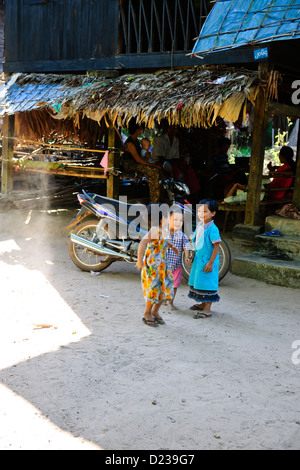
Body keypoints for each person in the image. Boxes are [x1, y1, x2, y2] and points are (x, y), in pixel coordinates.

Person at [136, 204, 179, 327]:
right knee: (154, 289)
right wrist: (139, 260)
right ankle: (147, 313)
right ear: (161, 219)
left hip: (163, 266)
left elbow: (163, 241)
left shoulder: (163, 231)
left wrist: (171, 246)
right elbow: (142, 244)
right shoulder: (154, 231)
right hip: (152, 267)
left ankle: (155, 311)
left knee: (164, 288)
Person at [188, 199, 221, 318]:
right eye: (199, 211)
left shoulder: (213, 229)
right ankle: (203, 304)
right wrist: (191, 256)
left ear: (213, 213)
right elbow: (195, 241)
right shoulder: (199, 226)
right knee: (200, 282)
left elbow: (217, 247)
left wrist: (211, 263)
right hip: (199, 260)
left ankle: (207, 309)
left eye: (205, 211)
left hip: (208, 261)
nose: (201, 214)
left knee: (208, 283)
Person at [122, 119, 162, 203]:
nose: (141, 130)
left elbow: (140, 157)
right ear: (137, 130)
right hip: (130, 165)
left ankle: (156, 196)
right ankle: (154, 199)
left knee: (156, 171)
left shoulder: (136, 140)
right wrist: (153, 165)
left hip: (136, 163)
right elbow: (138, 160)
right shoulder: (130, 143)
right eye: (140, 128)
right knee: (153, 171)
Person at [167, 209, 190, 310]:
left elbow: (186, 247)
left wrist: (187, 257)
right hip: (164, 266)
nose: (178, 223)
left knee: (175, 285)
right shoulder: (164, 233)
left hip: (177, 266)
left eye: (180, 220)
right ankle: (163, 299)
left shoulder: (183, 236)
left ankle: (170, 302)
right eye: (175, 219)